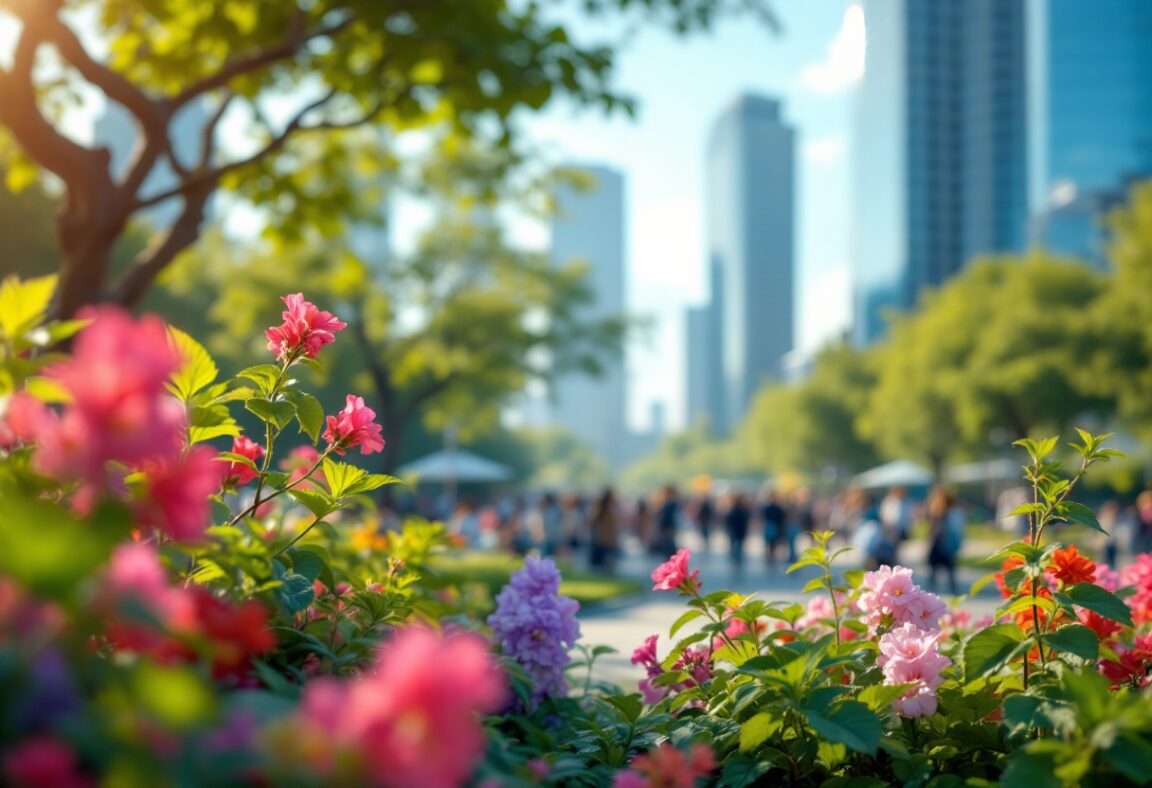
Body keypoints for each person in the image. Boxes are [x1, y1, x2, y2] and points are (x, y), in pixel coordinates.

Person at [926, 487, 964, 595]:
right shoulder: (954, 512)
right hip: (945, 545)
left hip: (940, 545)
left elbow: (931, 531)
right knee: (948, 571)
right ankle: (953, 591)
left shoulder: (940, 512)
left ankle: (931, 592)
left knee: (935, 571)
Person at [589, 488, 620, 572]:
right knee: (607, 556)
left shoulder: (600, 506)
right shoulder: (611, 507)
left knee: (601, 556)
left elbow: (592, 520)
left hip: (601, 536)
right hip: (607, 536)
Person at [724, 492, 752, 574]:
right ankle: (738, 558)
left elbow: (728, 521)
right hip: (740, 531)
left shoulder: (732, 510)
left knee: (734, 544)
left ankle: (735, 557)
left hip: (734, 531)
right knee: (739, 545)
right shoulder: (743, 511)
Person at [759, 490, 787, 570]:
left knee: (769, 543)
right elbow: (782, 518)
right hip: (774, 526)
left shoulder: (767, 507)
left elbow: (762, 517)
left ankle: (769, 558)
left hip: (769, 526)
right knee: (773, 544)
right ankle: (772, 558)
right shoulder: (778, 508)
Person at [653, 485, 680, 556]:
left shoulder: (670, 502)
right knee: (668, 542)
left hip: (668, 525)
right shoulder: (670, 502)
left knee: (669, 542)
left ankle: (671, 556)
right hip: (668, 525)